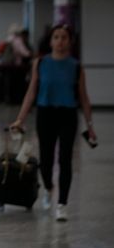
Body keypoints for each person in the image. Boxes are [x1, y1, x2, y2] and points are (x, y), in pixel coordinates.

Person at [10, 24, 96, 222]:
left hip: (67, 115)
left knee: (65, 160)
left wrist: (90, 126)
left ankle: (62, 204)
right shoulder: (40, 63)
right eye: (56, 37)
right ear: (50, 41)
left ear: (70, 41)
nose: (60, 41)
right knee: (46, 162)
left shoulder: (76, 67)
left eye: (64, 37)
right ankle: (48, 187)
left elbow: (84, 98)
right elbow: (31, 92)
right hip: (45, 114)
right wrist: (20, 119)